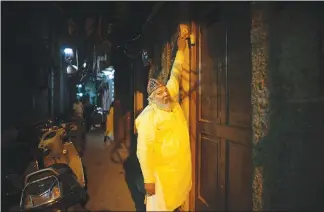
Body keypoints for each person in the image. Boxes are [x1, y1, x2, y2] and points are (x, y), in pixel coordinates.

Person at [135, 35, 191, 211]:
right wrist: (148, 180)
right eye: (159, 94)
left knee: (176, 202)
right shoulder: (148, 117)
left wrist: (181, 50)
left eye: (164, 91)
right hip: (160, 176)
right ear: (152, 99)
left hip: (178, 170)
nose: (165, 94)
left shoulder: (170, 98)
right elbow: (143, 150)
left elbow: (175, 74)